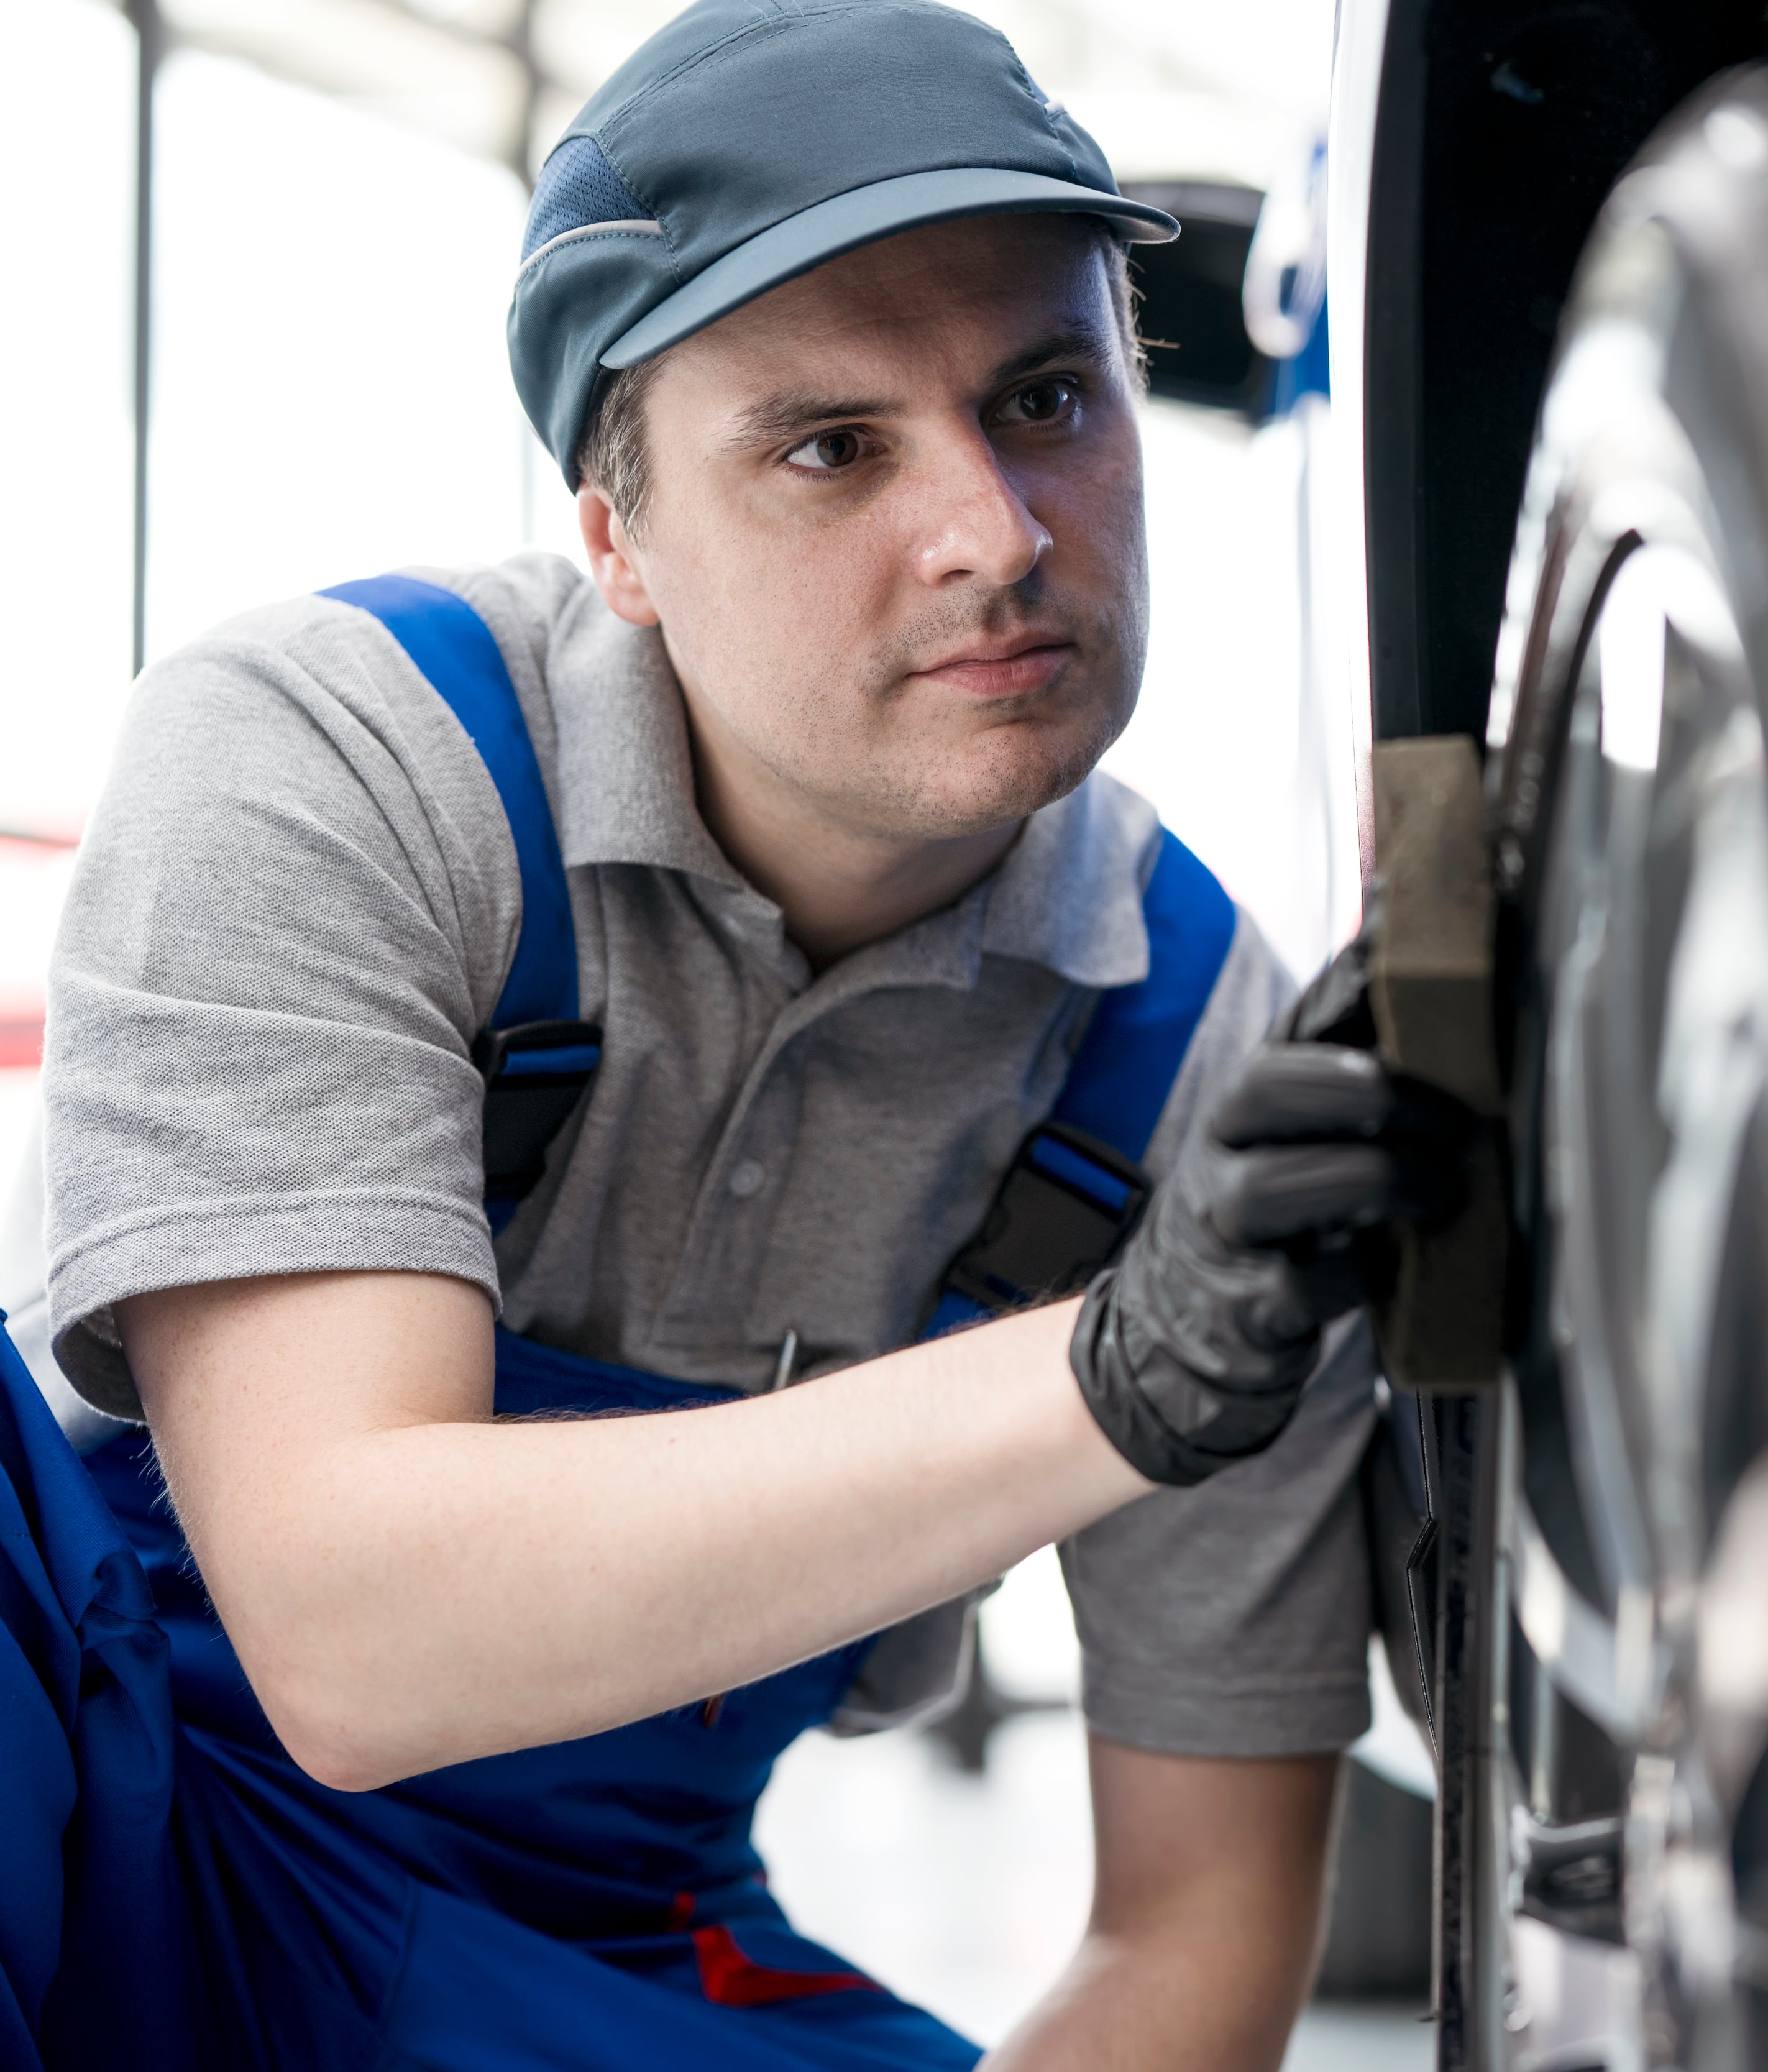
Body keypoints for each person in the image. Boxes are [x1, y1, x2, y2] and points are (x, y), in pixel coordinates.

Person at [0, 2, 1460, 2065]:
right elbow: (344, 1637)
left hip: (596, 1955)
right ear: (621, 540)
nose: (995, 535)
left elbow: (1192, 1932)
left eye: (1048, 395)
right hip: (102, 1834)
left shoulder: (1221, 1093)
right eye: (829, 448)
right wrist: (1117, 1374)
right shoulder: (339, 764)